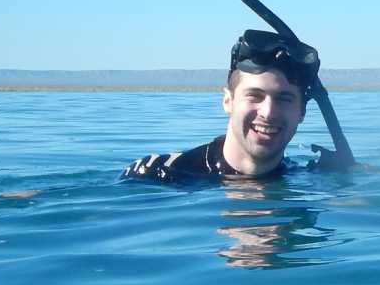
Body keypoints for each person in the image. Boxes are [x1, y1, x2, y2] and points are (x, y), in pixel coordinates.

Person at [123, 30, 319, 181]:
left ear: (302, 112)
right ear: (228, 101)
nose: (268, 112)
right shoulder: (157, 173)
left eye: (284, 99)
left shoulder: (313, 180)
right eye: (254, 96)